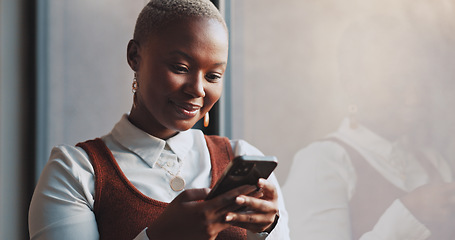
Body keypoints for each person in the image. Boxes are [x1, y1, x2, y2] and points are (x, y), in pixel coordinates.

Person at [28, 1, 289, 239]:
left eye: (213, 76)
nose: (198, 89)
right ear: (134, 56)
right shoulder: (75, 174)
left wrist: (267, 230)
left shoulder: (241, 157)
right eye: (180, 68)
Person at [283, 15, 455, 240]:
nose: (414, 98)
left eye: (418, 81)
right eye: (397, 84)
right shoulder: (322, 162)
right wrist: (408, 215)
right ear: (353, 84)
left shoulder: (433, 162)